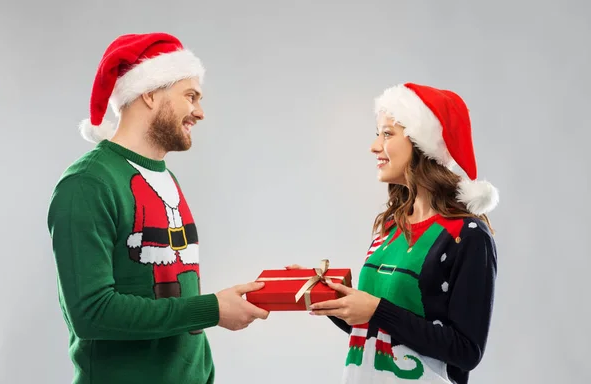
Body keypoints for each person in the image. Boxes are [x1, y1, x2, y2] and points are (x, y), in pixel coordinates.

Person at [46, 32, 269, 384]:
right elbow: (91, 313)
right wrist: (212, 309)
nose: (200, 111)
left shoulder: (165, 179)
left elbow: (180, 294)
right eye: (190, 96)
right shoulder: (88, 183)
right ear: (149, 93)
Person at [290, 83, 499, 383]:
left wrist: (376, 309)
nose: (374, 146)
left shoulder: (468, 236)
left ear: (422, 144)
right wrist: (330, 298)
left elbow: (466, 351)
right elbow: (379, 332)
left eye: (387, 134)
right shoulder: (392, 226)